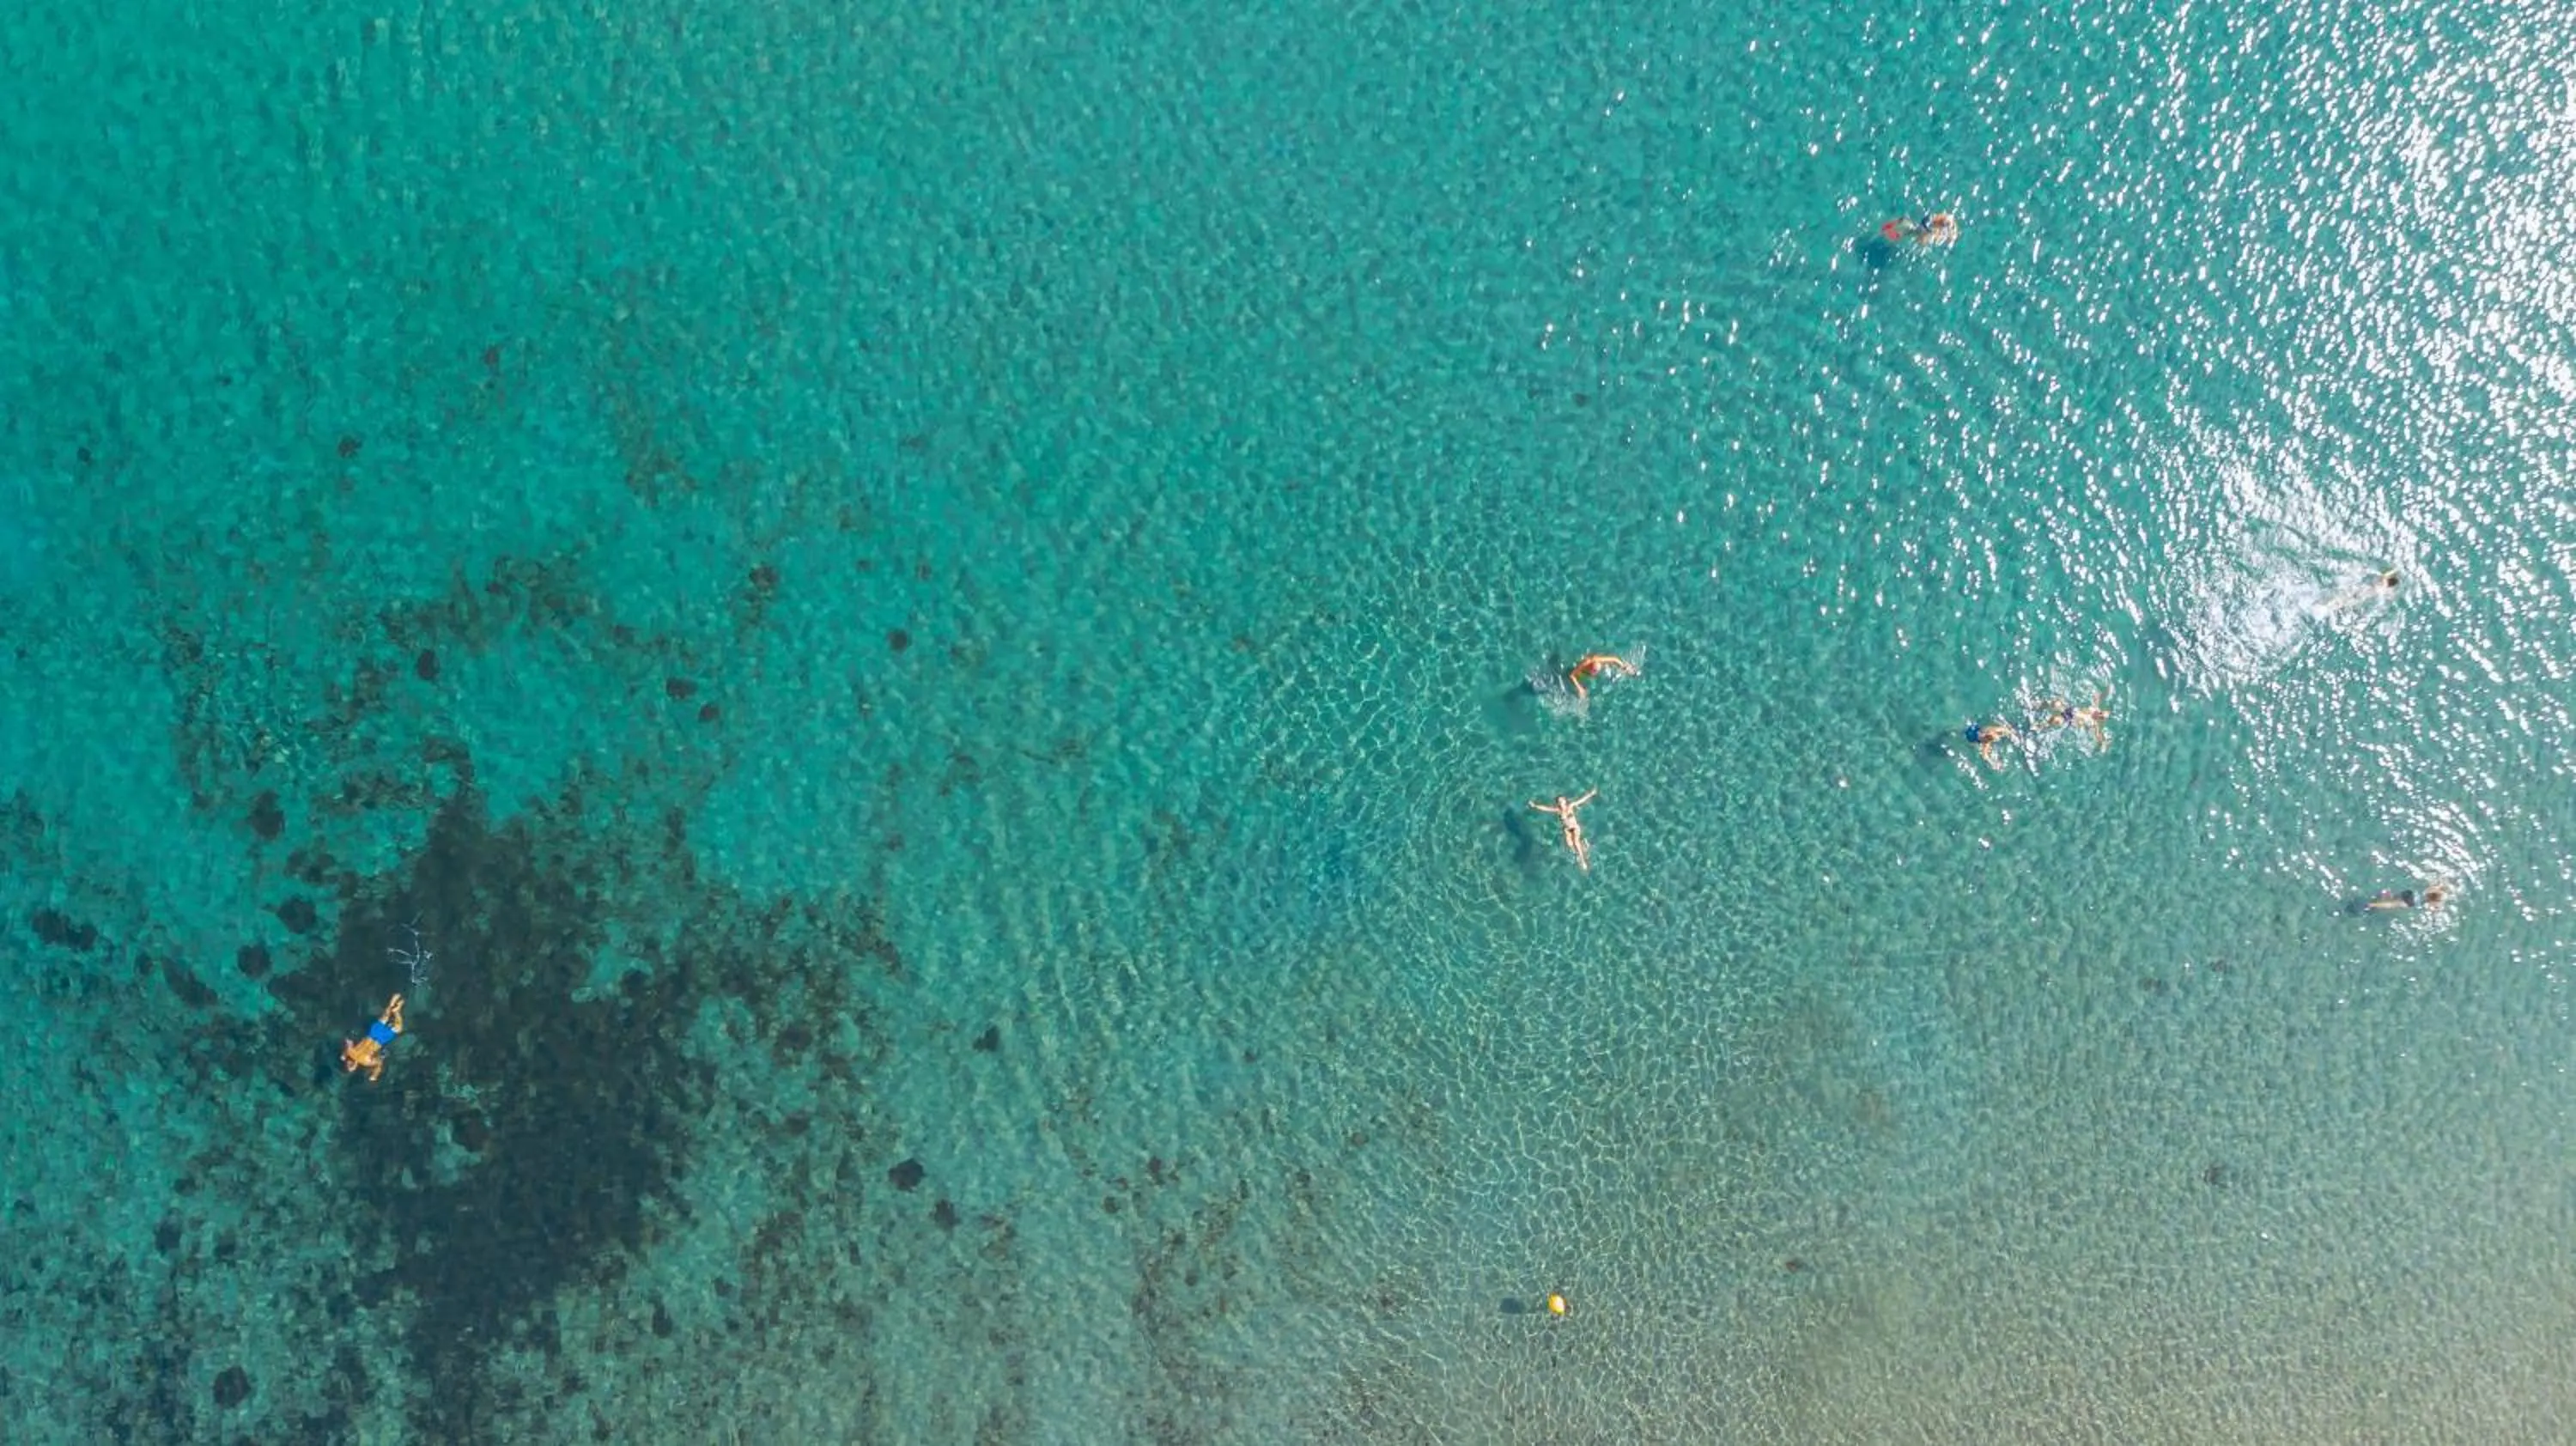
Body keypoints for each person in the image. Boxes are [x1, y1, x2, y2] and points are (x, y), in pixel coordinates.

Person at [1528, 790, 1599, 871]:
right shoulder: (1558, 811)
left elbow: (1581, 800)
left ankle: (1583, 861)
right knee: (1570, 845)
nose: (1561, 802)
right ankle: (1583, 845)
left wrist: (1591, 794)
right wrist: (1535, 806)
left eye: (1562, 800)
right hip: (1567, 830)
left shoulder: (1571, 806)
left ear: (1565, 801)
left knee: (1576, 842)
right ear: (1558, 803)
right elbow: (1546, 809)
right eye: (1559, 801)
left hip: (1575, 827)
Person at [342, 993, 405, 1083]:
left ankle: (397, 1012)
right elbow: (349, 1040)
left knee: (398, 1027)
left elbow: (379, 1063)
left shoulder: (366, 1062)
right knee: (385, 1017)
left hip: (380, 1041)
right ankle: (391, 1005)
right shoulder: (351, 1052)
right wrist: (344, 1054)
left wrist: (374, 1075)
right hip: (372, 1034)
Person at [2037, 691, 2111, 749]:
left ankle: (2040, 726)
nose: (2099, 715)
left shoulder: (2094, 724)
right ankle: (2039, 705)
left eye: (2101, 717)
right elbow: (2098, 697)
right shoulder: (2095, 708)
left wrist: (2103, 744)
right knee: (2056, 703)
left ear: (2101, 720)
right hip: (2071, 710)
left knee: (2056, 720)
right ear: (2101, 711)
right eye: (2101, 713)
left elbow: (2098, 736)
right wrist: (2107, 692)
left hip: (2070, 720)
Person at [1566, 653, 1638, 702]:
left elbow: (1614, 659)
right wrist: (1579, 688)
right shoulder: (1586, 663)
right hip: (1582, 673)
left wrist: (1624, 667)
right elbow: (1572, 675)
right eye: (1593, 670)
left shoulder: (1598, 660)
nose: (1595, 673)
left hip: (1590, 670)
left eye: (1596, 671)